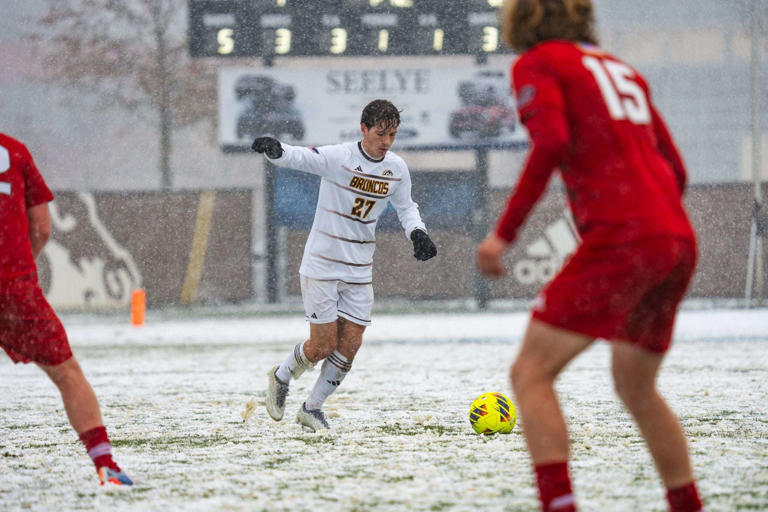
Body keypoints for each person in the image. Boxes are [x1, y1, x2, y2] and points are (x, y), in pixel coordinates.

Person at [476, 1, 703, 511]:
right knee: (635, 383)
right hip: (675, 237)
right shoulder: (619, 68)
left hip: (625, 237)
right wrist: (653, 222)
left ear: (521, 17)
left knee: (530, 373)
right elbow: (676, 167)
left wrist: (503, 234)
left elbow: (551, 140)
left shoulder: (539, 63)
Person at [252, 99, 437, 431]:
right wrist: (276, 151)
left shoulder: (396, 168)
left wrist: (418, 232)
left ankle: (312, 408)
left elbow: (406, 207)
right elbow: (300, 157)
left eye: (392, 135)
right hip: (322, 264)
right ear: (363, 129)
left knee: (351, 344)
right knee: (322, 346)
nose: (386, 142)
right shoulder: (339, 158)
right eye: (380, 133)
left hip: (360, 268)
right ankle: (281, 376)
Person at [0, 133, 132, 486]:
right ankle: (105, 464)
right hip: (14, 288)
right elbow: (42, 227)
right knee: (67, 373)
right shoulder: (13, 151)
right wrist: (17, 266)